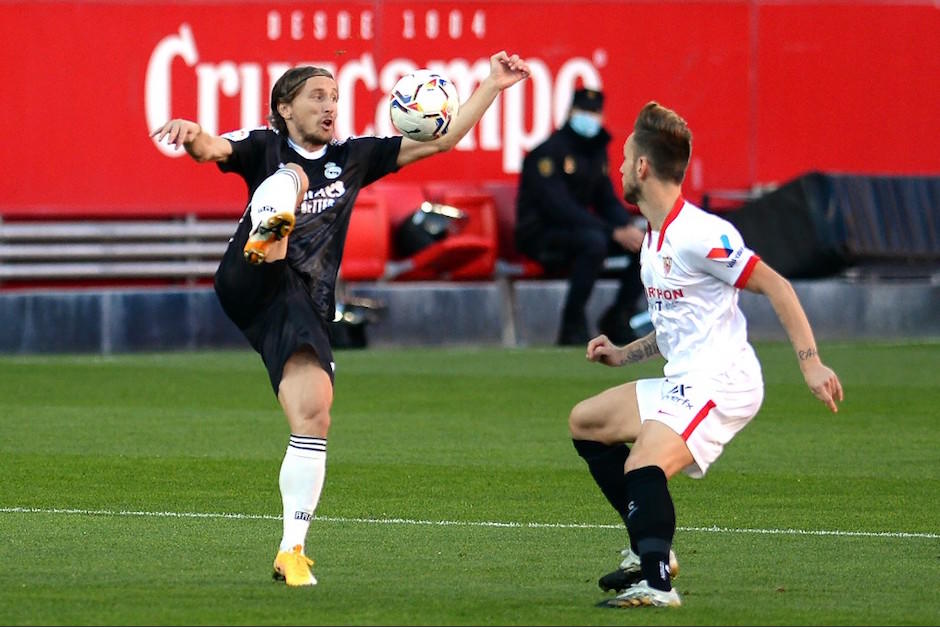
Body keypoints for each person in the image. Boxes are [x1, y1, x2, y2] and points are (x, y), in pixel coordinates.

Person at [150, 52, 531, 587]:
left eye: (334, 97)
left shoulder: (354, 158)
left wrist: (493, 83)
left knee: (314, 415)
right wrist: (191, 133)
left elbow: (443, 140)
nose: (331, 106)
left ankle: (292, 550)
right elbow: (210, 148)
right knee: (289, 179)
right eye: (318, 96)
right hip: (248, 274)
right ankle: (269, 230)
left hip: (297, 302)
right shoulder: (263, 144)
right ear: (285, 108)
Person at [569, 101, 843, 608]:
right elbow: (675, 327)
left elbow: (777, 286)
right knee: (586, 421)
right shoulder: (654, 238)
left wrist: (811, 362)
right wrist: (623, 355)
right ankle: (647, 546)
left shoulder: (701, 234)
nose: (621, 168)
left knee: (643, 465)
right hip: (687, 377)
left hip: (722, 382)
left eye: (627, 159)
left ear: (644, 168)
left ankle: (656, 581)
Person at [514, 87, 646, 346]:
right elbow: (558, 208)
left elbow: (606, 199)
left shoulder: (596, 152)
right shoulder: (547, 153)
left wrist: (626, 227)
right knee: (593, 242)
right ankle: (572, 324)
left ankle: (618, 317)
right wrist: (612, 232)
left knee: (644, 246)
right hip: (540, 236)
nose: (590, 117)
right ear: (570, 112)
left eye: (595, 112)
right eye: (584, 110)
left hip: (583, 231)